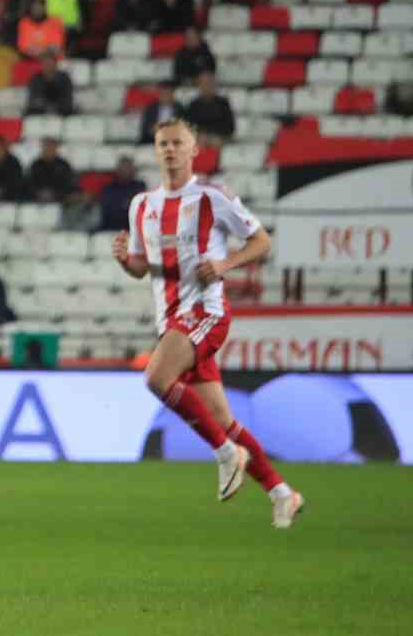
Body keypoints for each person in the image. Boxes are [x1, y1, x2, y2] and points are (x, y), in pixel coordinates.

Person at [112, 118, 302, 529]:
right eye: (162, 143)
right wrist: (126, 260)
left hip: (205, 312)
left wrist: (224, 264)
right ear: (155, 149)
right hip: (171, 321)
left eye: (178, 143)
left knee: (155, 378)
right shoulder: (141, 205)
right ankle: (282, 492)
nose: (169, 150)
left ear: (194, 149)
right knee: (223, 420)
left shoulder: (212, 197)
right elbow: (144, 267)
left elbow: (261, 241)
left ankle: (226, 453)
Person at [184, 72, 236, 146]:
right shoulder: (193, 105)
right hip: (199, 138)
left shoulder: (223, 103)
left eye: (209, 83)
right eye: (203, 83)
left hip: (219, 138)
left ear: (214, 85)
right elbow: (188, 126)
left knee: (216, 141)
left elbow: (230, 126)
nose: (206, 86)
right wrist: (200, 134)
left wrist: (214, 135)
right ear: (199, 86)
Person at [99, 155, 146, 232]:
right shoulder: (108, 189)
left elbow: (139, 210)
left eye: (128, 168)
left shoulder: (139, 187)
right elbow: (108, 211)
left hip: (133, 228)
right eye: (122, 168)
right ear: (117, 170)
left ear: (133, 170)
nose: (125, 171)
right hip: (111, 228)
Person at [27, 138, 78, 203]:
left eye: (51, 147)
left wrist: (56, 194)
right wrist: (39, 193)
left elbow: (69, 184)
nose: (49, 149)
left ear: (56, 148)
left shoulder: (64, 165)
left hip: (60, 199)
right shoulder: (35, 164)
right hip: (38, 199)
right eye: (46, 147)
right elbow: (30, 184)